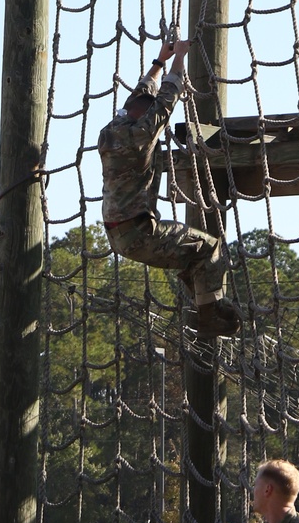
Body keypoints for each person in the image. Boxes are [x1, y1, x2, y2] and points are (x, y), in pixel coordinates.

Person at [98, 35, 240, 338]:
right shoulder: (141, 136)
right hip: (139, 233)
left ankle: (200, 293)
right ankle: (209, 316)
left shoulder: (112, 130)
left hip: (119, 232)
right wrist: (179, 59)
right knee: (210, 248)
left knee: (193, 255)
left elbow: (140, 98)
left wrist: (159, 60)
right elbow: (164, 102)